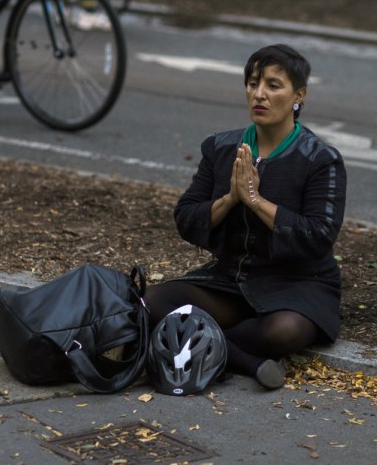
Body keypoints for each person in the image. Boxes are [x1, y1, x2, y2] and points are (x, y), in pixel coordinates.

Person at [143, 44, 347, 390]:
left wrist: (255, 201)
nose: (260, 94)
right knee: (152, 301)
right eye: (253, 84)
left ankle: (193, 342)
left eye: (273, 85)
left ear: (298, 95)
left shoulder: (320, 159)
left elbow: (318, 236)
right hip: (230, 280)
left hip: (297, 285)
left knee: (283, 332)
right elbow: (186, 218)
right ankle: (245, 361)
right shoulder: (221, 147)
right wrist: (230, 199)